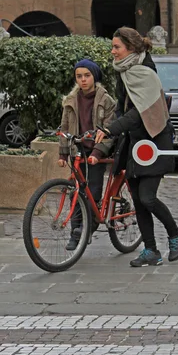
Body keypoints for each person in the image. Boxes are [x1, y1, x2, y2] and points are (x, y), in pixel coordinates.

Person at [95, 26, 178, 267]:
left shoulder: (145, 72)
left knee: (147, 198)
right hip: (133, 142)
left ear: (131, 49)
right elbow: (123, 109)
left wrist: (110, 129)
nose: (112, 51)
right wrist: (107, 130)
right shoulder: (123, 72)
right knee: (137, 199)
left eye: (117, 47)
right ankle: (151, 250)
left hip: (154, 141)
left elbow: (139, 112)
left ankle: (176, 233)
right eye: (112, 47)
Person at [58, 59, 116, 251]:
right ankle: (76, 232)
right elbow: (65, 129)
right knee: (76, 192)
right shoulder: (71, 100)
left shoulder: (106, 100)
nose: (83, 80)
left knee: (93, 191)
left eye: (87, 76)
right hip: (78, 151)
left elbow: (110, 130)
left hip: (96, 152)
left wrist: (98, 152)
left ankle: (87, 229)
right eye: (79, 76)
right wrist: (63, 153)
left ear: (94, 76)